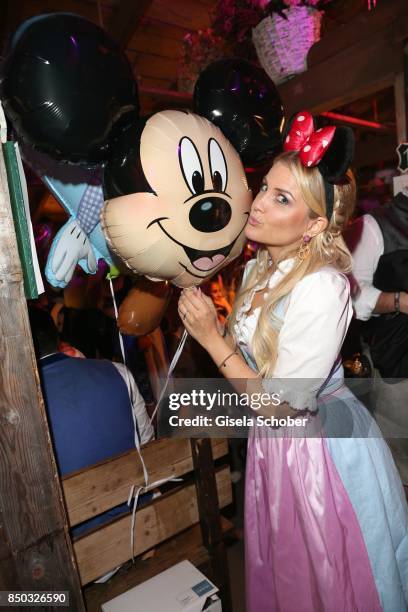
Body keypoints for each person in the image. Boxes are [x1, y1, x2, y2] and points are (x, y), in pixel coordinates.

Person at [178, 112, 408, 611]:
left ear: (316, 225)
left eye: (282, 199)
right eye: (264, 189)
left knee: (331, 571)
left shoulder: (322, 286)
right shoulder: (264, 265)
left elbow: (280, 405)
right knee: (286, 567)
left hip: (316, 449)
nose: (258, 204)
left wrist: (213, 340)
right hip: (275, 447)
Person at [28, 307, 153, 476]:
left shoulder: (22, 404)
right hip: (141, 496)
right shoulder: (117, 371)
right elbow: (147, 441)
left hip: (80, 499)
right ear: (57, 336)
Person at [345, 188, 408, 485]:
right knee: (401, 468)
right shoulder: (374, 225)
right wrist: (400, 301)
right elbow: (352, 297)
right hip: (397, 366)